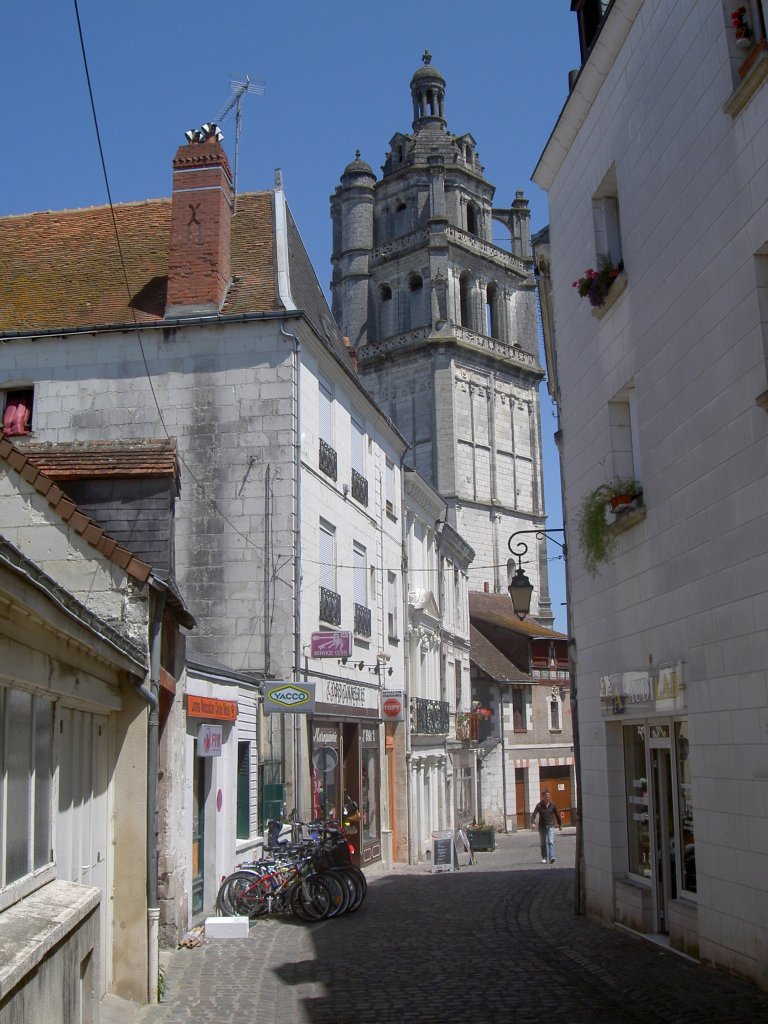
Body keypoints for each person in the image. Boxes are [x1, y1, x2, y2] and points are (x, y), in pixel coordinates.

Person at [531, 789, 563, 863]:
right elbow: (534, 814)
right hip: (542, 827)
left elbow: (557, 815)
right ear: (543, 797)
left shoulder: (553, 805)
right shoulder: (539, 805)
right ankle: (544, 857)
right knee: (543, 843)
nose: (548, 796)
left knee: (551, 841)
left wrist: (560, 824)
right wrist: (533, 822)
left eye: (549, 795)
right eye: (546, 795)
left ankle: (552, 857)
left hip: (550, 826)